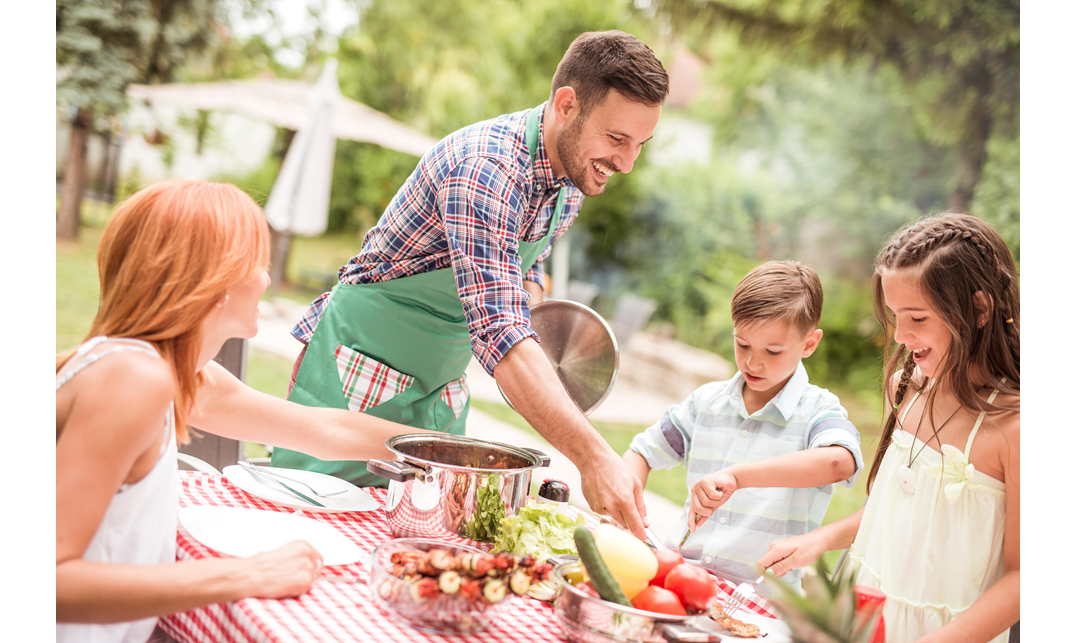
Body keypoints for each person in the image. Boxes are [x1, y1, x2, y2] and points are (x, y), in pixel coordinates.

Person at [274, 30, 669, 539]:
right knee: (303, 533)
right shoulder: (485, 169)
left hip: (437, 392)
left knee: (417, 542)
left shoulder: (568, 183)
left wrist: (541, 325)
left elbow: (523, 274)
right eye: (617, 139)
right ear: (566, 104)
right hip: (357, 377)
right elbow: (499, 331)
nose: (627, 163)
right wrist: (593, 457)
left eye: (640, 144)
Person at [56, 180, 437, 643]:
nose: (267, 279)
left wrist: (454, 455)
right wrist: (248, 575)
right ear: (215, 284)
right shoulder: (134, 381)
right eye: (257, 264)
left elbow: (327, 429)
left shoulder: (170, 372)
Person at [757, 213, 1020, 642]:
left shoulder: (1011, 426)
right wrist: (821, 539)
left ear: (978, 309)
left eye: (917, 318)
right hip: (865, 618)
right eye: (895, 315)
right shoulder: (905, 388)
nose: (899, 335)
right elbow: (898, 510)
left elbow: (1017, 579)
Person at [624, 260, 864, 596]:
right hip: (683, 579)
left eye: (773, 351)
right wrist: (627, 509)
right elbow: (643, 451)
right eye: (743, 345)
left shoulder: (818, 411)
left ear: (809, 344)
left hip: (762, 599)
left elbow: (839, 462)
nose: (753, 362)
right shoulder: (706, 401)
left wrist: (739, 477)